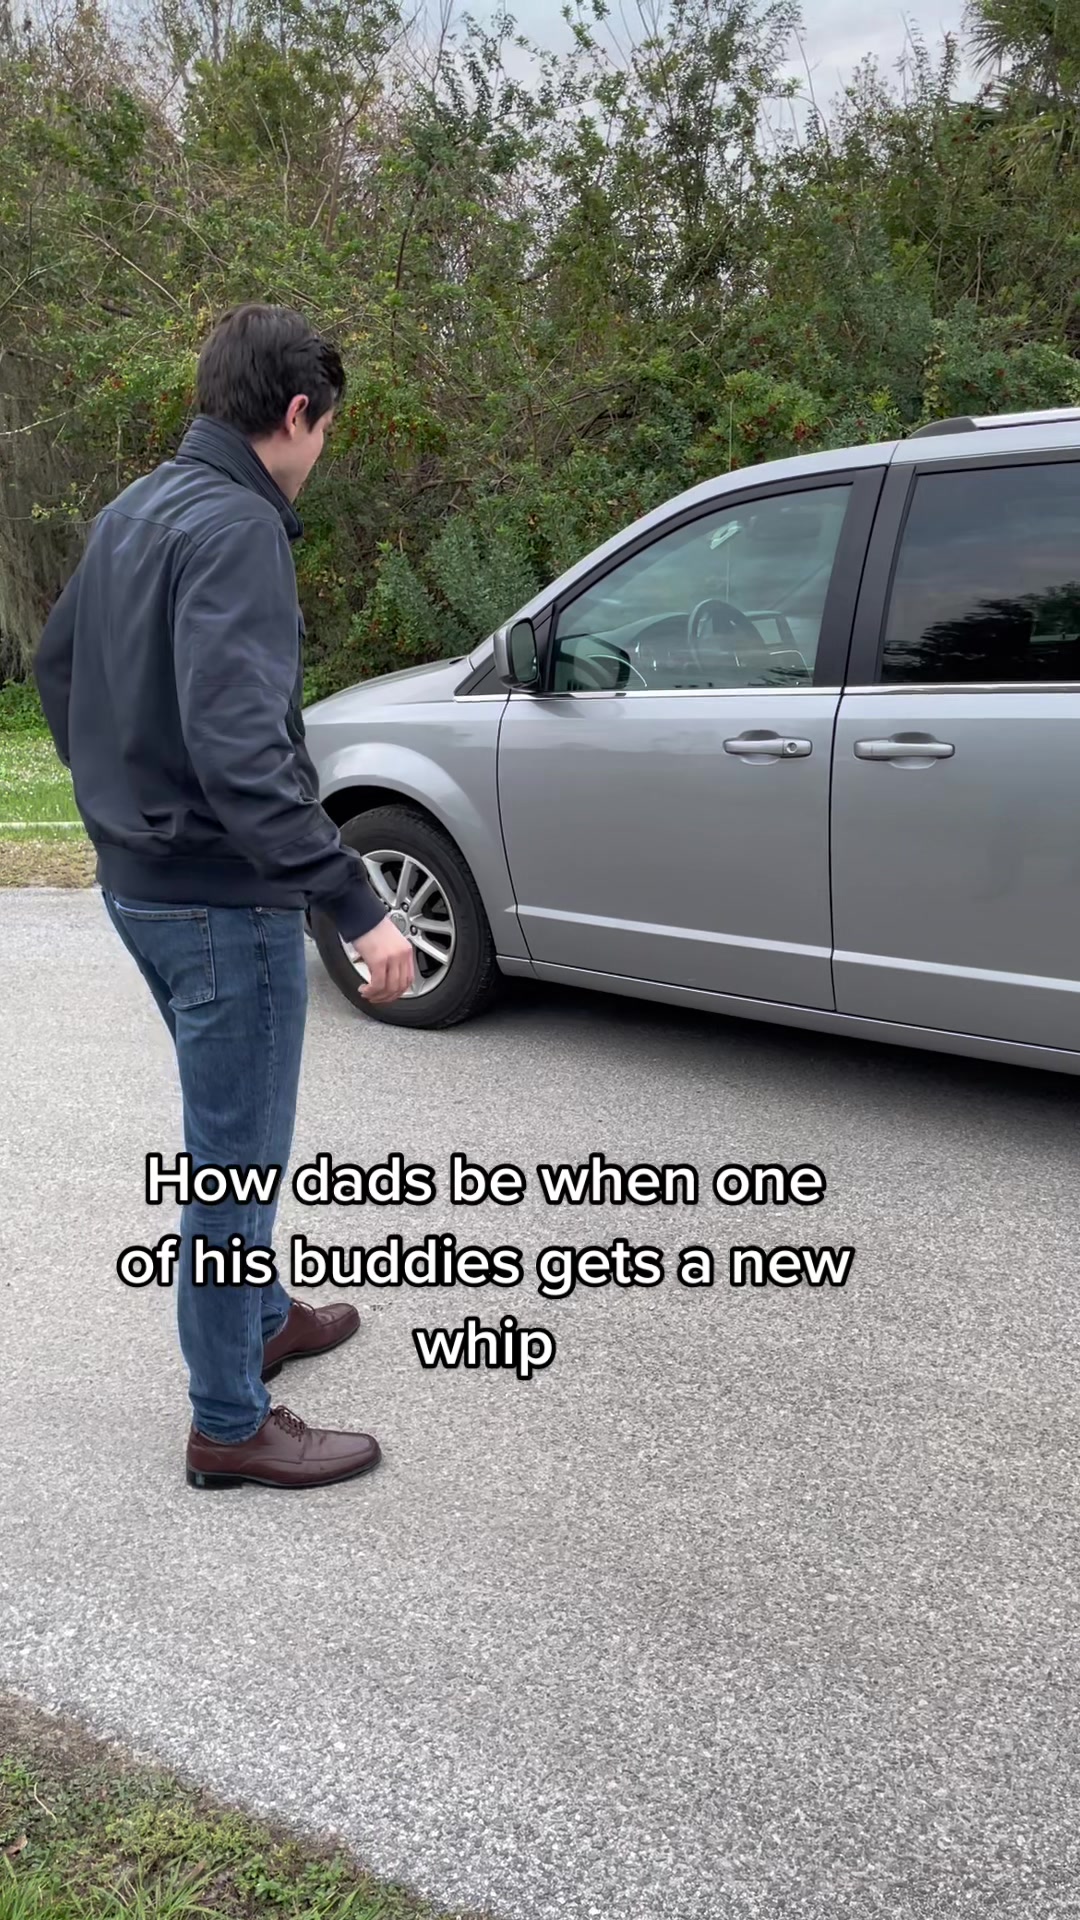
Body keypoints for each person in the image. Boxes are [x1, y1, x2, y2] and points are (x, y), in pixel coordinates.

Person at [33, 303, 415, 1492]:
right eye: (327, 428)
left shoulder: (136, 507)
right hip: (219, 903)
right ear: (297, 412)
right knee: (235, 1166)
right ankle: (229, 1421)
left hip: (142, 887)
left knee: (232, 1141)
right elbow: (246, 754)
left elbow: (56, 665)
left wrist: (120, 803)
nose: (321, 449)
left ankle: (259, 1319)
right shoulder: (241, 527)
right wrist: (356, 902)